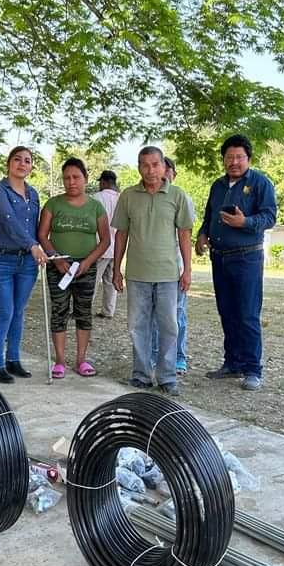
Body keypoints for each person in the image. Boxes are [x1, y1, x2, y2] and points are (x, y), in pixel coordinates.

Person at [197, 133, 277, 391]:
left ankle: (253, 369)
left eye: (239, 157)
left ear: (248, 159)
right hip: (219, 257)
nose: (234, 162)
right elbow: (209, 215)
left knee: (247, 314)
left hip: (247, 257)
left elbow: (269, 217)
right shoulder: (218, 185)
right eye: (229, 157)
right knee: (227, 312)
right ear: (223, 160)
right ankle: (232, 363)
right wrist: (202, 234)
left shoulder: (260, 183)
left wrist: (245, 222)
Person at [112, 146, 194, 396]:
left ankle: (167, 377)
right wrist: (116, 269)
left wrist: (187, 270)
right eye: (145, 165)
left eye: (155, 164)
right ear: (139, 167)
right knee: (137, 326)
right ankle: (141, 374)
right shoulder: (128, 196)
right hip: (137, 273)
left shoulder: (177, 195)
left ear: (164, 166)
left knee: (169, 326)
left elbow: (185, 234)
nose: (150, 170)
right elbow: (121, 234)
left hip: (168, 274)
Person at [38, 158, 110, 378]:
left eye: (76, 177)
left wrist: (87, 262)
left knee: (83, 312)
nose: (71, 182)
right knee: (59, 311)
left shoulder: (96, 206)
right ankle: (60, 361)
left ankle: (81, 360)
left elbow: (105, 240)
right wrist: (56, 259)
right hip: (58, 266)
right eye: (67, 178)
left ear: (85, 179)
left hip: (85, 267)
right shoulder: (53, 204)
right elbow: (42, 235)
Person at [0, 146, 47, 383]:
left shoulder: (33, 194)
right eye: (17, 159)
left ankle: (13, 359)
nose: (22, 164)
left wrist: (46, 249)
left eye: (27, 161)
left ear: (31, 167)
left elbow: (34, 228)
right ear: (8, 163)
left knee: (18, 311)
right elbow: (9, 222)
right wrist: (32, 245)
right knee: (5, 312)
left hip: (26, 263)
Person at [151, 156, 193, 374]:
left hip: (175, 266)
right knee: (154, 316)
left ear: (174, 175)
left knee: (177, 314)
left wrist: (187, 269)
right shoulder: (146, 197)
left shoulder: (181, 198)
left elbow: (186, 235)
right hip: (152, 268)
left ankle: (178, 357)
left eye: (167, 172)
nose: (163, 176)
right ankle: (154, 356)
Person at [93, 170, 119, 319]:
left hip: (100, 246)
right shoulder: (121, 199)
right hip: (116, 247)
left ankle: (84, 308)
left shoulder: (96, 198)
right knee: (110, 281)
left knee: (93, 280)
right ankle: (108, 311)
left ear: (103, 182)